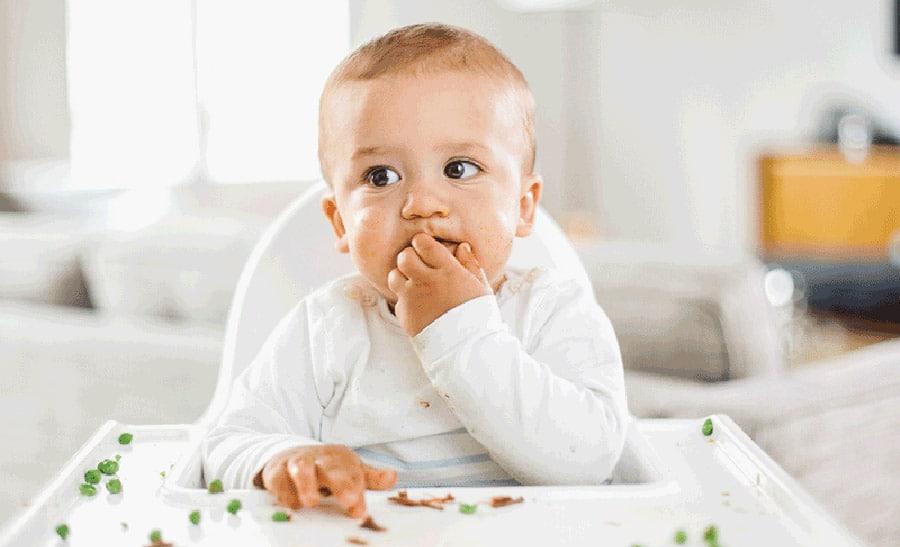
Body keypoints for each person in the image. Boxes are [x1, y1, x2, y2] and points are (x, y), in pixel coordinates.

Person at [202, 22, 628, 519]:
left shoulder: (552, 311)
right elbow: (228, 442)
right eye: (380, 177)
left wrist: (459, 330)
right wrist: (283, 458)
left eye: (459, 168)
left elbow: (592, 459)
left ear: (523, 205)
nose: (422, 205)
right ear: (340, 222)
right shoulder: (326, 328)